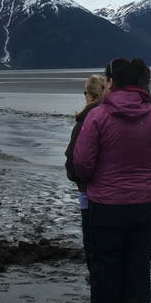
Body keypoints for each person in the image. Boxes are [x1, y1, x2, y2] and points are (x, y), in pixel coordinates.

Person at [73, 57, 151, 303]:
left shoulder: (98, 116)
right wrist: (143, 171)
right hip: (142, 204)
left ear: (111, 82)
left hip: (105, 204)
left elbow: (82, 162)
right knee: (138, 270)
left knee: (105, 270)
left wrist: (98, 179)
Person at [64, 74, 106, 274]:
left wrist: (79, 178)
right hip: (118, 192)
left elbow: (74, 157)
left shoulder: (86, 121)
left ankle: (98, 283)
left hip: (90, 190)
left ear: (90, 95)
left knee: (92, 240)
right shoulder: (113, 117)